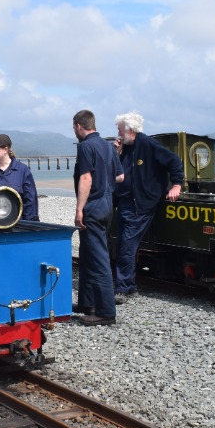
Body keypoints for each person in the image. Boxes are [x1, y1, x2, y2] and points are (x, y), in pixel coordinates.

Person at [112, 112, 184, 302]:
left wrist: (177, 184)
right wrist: (116, 154)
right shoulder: (125, 148)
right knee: (122, 246)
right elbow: (118, 172)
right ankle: (130, 286)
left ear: (130, 130)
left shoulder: (147, 144)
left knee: (127, 246)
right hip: (124, 202)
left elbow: (174, 161)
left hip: (140, 204)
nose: (118, 134)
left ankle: (122, 288)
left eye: (119, 130)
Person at [72, 110, 124, 326]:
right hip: (107, 203)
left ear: (78, 126)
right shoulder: (106, 145)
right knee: (87, 253)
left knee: (99, 257)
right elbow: (120, 176)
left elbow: (85, 178)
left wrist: (79, 209)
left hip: (93, 205)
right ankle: (87, 302)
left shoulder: (85, 146)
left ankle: (105, 312)